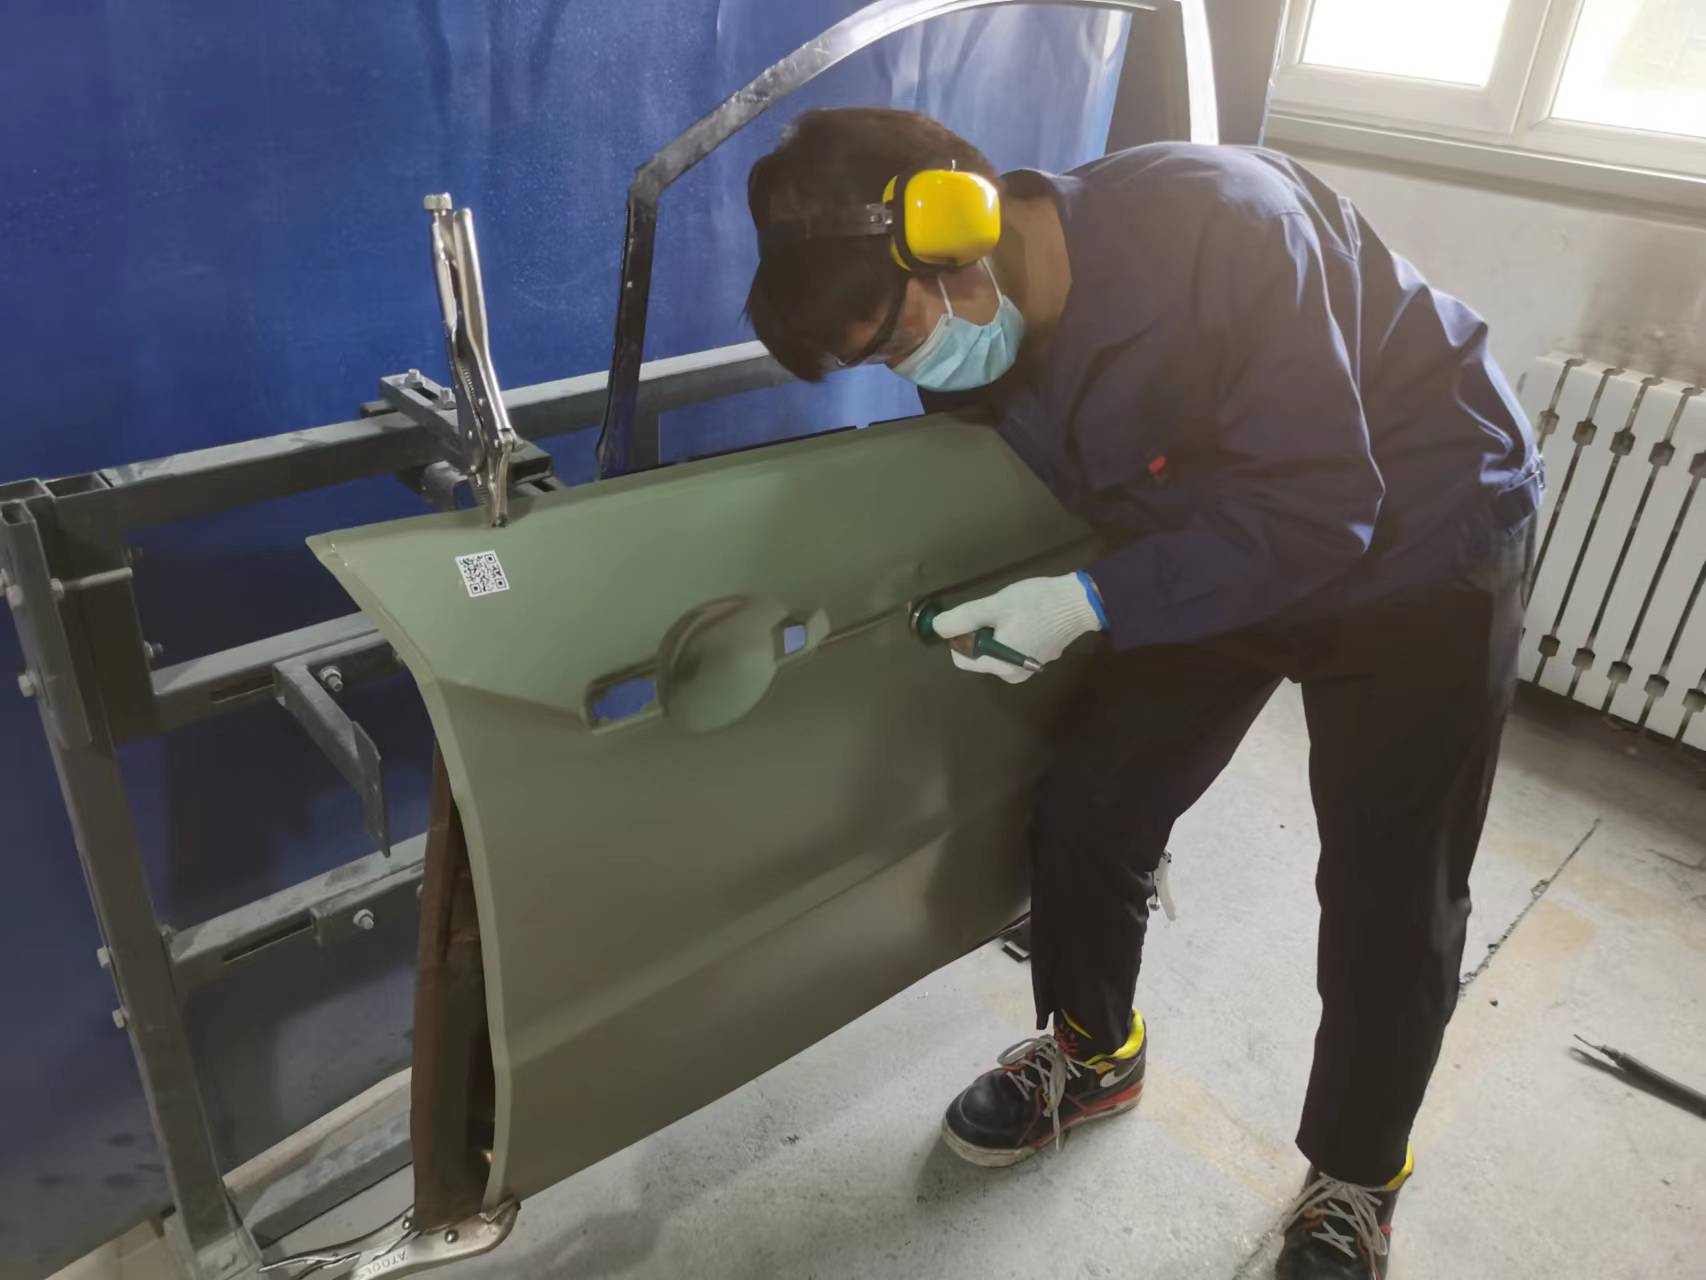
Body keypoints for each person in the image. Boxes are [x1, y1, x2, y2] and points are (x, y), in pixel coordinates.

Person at [743, 107, 1541, 1280]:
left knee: (1390, 881)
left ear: (957, 229)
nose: (910, 368)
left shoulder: (1224, 228)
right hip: (1220, 537)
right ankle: (1092, 1051)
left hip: (1422, 537)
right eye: (878, 359)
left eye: (897, 334)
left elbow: (1321, 506)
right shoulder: (982, 349)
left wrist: (1087, 601)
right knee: (1093, 800)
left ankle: (1355, 1177)